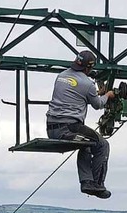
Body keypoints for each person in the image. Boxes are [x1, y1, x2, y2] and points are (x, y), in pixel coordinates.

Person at [46, 50, 115, 199]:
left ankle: (87, 181)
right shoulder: (87, 84)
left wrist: (96, 93)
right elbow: (97, 104)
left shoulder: (61, 76)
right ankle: (97, 184)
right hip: (69, 127)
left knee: (86, 143)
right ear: (88, 68)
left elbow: (74, 92)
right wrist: (107, 95)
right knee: (102, 144)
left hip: (51, 127)